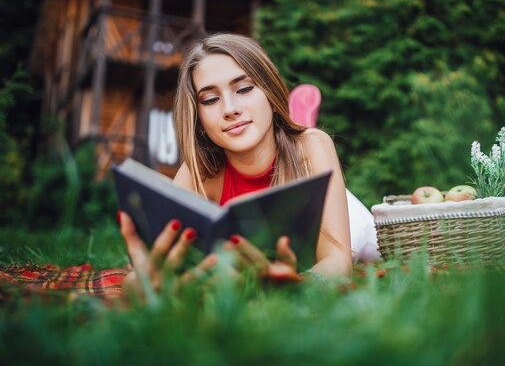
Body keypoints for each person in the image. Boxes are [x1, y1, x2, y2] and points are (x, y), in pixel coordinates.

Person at [120, 34, 353, 298]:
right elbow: (141, 277)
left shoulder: (312, 146)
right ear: (199, 120)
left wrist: (297, 287)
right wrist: (144, 284)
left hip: (350, 220)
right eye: (210, 100)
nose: (230, 109)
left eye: (243, 89)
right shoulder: (198, 172)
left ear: (271, 93)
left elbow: (339, 260)